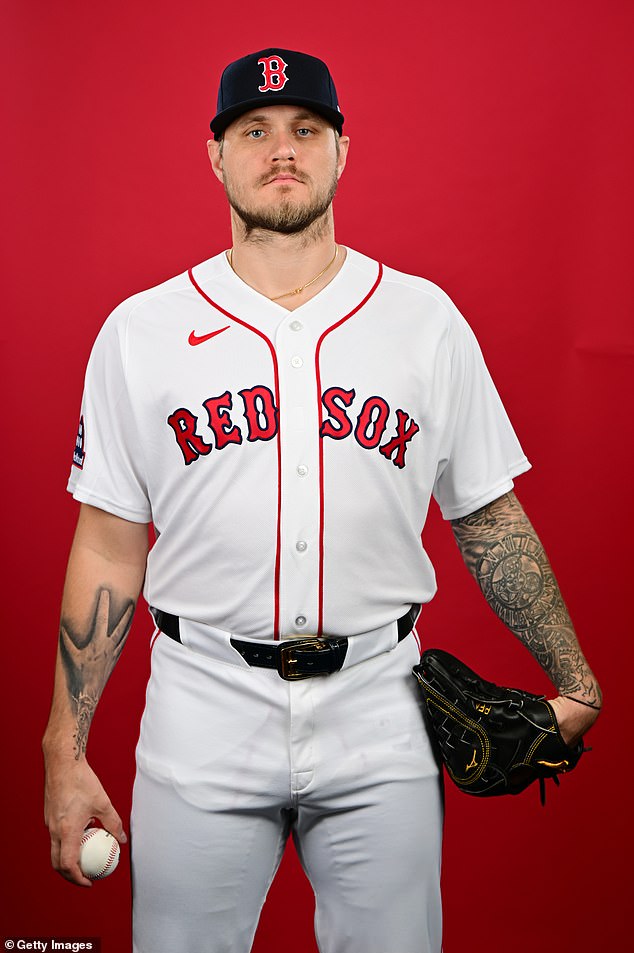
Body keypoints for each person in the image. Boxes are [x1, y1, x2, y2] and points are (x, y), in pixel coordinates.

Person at [42, 48, 602, 953]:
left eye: (306, 129)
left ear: (343, 148)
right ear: (215, 155)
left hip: (383, 710)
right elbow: (108, 543)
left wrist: (575, 679)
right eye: (253, 131)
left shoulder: (424, 320)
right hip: (201, 711)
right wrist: (63, 752)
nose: (282, 150)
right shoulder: (139, 333)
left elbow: (488, 514)